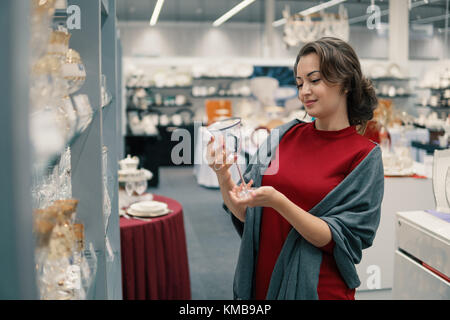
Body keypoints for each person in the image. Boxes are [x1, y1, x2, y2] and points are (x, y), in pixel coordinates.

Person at [207, 37, 384, 300]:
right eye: (300, 83)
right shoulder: (283, 136)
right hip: (261, 280)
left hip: (316, 289)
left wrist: (279, 202)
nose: (304, 92)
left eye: (315, 80)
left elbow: (342, 238)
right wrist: (223, 176)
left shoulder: (364, 156)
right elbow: (247, 214)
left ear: (346, 83)